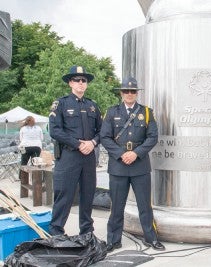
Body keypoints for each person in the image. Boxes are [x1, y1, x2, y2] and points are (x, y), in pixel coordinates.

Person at [100, 77, 165, 252]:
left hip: (140, 165)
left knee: (145, 205)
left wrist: (136, 153)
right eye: (126, 91)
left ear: (137, 93)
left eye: (133, 91)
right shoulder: (111, 112)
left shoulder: (147, 112)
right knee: (117, 206)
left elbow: (152, 137)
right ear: (121, 93)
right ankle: (113, 240)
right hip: (118, 166)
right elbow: (104, 137)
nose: (130, 94)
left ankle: (151, 238)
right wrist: (122, 154)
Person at [48, 65, 102, 236]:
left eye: (83, 80)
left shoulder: (93, 105)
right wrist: (78, 144)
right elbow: (55, 131)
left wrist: (93, 142)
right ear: (70, 83)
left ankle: (86, 232)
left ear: (86, 84)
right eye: (77, 80)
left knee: (88, 195)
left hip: (88, 157)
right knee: (64, 195)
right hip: (69, 156)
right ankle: (56, 232)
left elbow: (103, 131)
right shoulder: (61, 104)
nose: (80, 83)